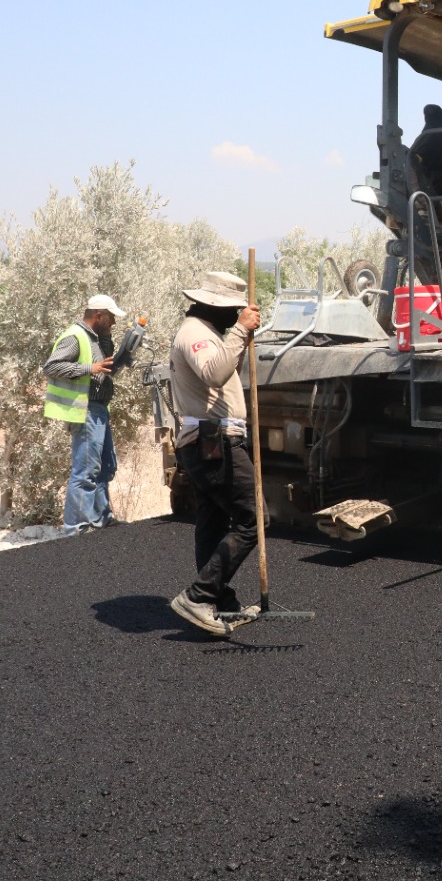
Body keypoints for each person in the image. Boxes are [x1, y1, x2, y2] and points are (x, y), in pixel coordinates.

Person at [167, 271, 265, 638]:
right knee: (253, 519)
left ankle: (218, 604)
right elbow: (213, 373)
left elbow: (224, 371)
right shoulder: (194, 333)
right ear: (214, 306)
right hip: (213, 441)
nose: (235, 315)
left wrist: (240, 338)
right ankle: (199, 596)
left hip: (208, 441)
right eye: (232, 311)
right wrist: (240, 331)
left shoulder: (204, 332)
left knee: (213, 522)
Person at [42, 293, 125, 533]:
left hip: (99, 409)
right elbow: (51, 367)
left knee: (106, 467)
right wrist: (90, 368)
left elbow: (105, 369)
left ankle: (101, 518)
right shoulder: (75, 336)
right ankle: (76, 528)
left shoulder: (97, 338)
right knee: (86, 471)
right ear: (98, 315)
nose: (114, 323)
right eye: (110, 318)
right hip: (85, 410)